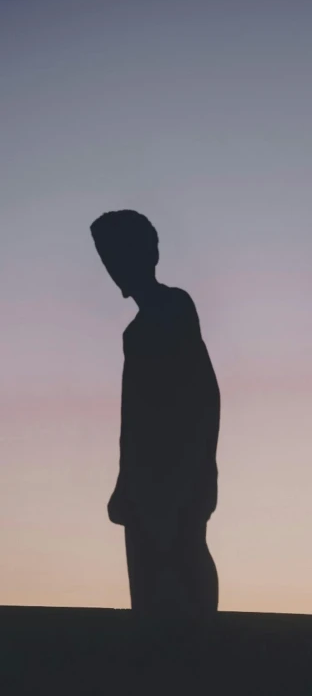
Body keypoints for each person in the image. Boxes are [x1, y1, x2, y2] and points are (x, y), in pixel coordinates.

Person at [90, 210, 220, 621]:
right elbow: (135, 421)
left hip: (174, 476)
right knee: (149, 583)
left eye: (116, 256)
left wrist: (196, 469)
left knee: (179, 562)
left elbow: (201, 397)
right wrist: (125, 480)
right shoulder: (138, 329)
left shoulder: (174, 308)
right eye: (106, 259)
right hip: (147, 481)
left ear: (147, 254)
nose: (112, 269)